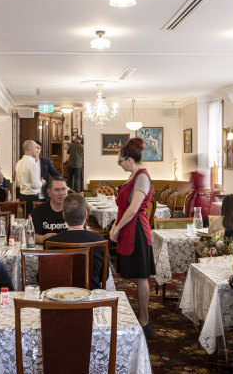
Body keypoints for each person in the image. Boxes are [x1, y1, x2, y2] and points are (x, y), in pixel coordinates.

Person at [109, 138, 154, 337]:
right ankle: (141, 316)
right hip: (129, 228)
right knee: (137, 275)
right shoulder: (133, 175)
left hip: (137, 230)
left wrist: (117, 228)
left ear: (129, 159)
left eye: (120, 162)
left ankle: (145, 320)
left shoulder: (142, 177)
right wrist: (115, 225)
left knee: (141, 276)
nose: (120, 165)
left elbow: (134, 208)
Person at [45, 193, 108, 290]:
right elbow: (104, 276)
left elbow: (43, 277)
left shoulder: (51, 242)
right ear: (86, 215)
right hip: (90, 299)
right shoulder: (99, 240)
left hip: (59, 298)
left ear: (63, 215)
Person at [31, 176, 68, 244]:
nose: (61, 193)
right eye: (56, 190)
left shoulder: (74, 209)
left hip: (70, 251)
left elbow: (81, 233)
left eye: (63, 189)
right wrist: (40, 238)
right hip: (47, 251)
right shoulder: (38, 211)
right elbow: (29, 236)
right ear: (49, 192)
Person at [15, 140, 44, 215]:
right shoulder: (32, 163)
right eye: (36, 147)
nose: (37, 149)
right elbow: (36, 185)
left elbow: (17, 184)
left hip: (22, 196)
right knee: (33, 221)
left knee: (26, 219)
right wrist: (41, 182)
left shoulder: (19, 162)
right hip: (32, 197)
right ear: (30, 149)